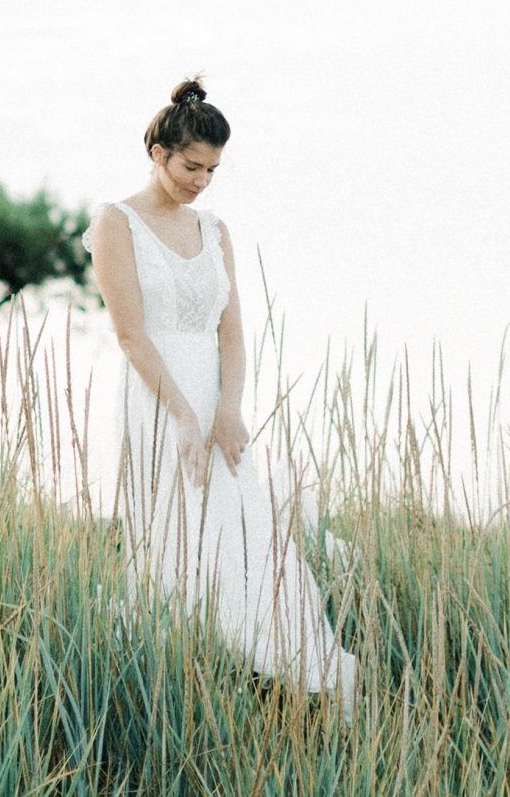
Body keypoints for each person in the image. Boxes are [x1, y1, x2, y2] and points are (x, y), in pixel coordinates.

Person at [84, 78, 359, 718]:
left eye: (212, 169)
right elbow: (129, 332)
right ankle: (180, 683)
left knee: (247, 532)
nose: (201, 180)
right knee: (178, 539)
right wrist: (183, 414)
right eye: (190, 166)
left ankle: (284, 673)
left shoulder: (215, 229)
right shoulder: (116, 222)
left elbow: (231, 334)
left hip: (215, 395)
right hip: (157, 397)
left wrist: (227, 410)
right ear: (158, 152)